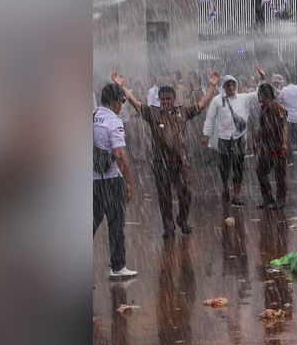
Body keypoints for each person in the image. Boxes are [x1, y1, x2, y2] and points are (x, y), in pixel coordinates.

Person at [113, 70, 219, 238]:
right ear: (159, 100)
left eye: (169, 99)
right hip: (160, 162)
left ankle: (182, 219)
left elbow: (201, 104)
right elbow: (135, 102)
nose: (166, 102)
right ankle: (168, 226)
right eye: (163, 99)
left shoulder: (182, 111)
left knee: (186, 192)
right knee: (164, 196)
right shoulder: (153, 113)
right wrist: (122, 87)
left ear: (174, 99)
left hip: (180, 162)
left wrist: (212, 86)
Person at [203, 65, 266, 207]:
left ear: (236, 85)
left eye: (232, 84)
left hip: (239, 138)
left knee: (238, 167)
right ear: (224, 87)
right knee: (224, 167)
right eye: (228, 85)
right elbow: (210, 118)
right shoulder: (217, 100)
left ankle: (237, 195)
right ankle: (225, 186)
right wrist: (206, 134)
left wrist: (262, 78)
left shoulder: (243, 98)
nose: (230, 87)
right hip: (224, 138)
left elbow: (258, 93)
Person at [94, 83, 136, 277]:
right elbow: (119, 155)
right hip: (111, 179)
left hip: (92, 180)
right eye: (121, 101)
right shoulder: (114, 121)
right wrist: (128, 181)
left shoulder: (92, 117)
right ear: (115, 102)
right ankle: (118, 266)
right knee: (116, 223)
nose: (121, 106)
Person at [254, 82, 289, 209]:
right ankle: (268, 198)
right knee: (260, 171)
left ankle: (280, 200)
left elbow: (284, 126)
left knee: (280, 174)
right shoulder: (263, 108)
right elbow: (262, 127)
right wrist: (256, 141)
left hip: (278, 145)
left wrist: (284, 143)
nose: (258, 96)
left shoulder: (277, 108)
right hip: (266, 145)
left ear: (265, 95)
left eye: (260, 93)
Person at [277, 73, 297, 164]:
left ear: (287, 80)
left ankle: (290, 159)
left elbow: (278, 101)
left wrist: (284, 108)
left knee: (288, 138)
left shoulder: (284, 90)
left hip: (288, 118)